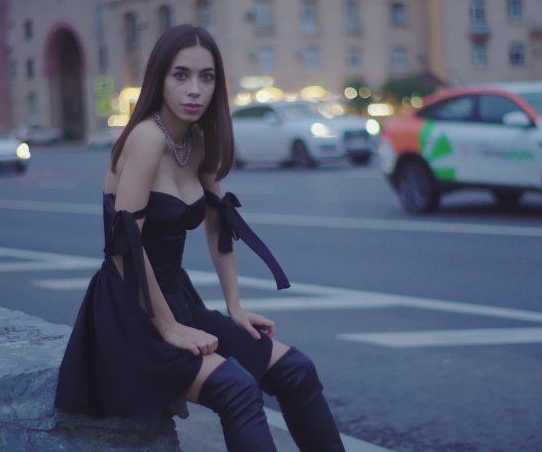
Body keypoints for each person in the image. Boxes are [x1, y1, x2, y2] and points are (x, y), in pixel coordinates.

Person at [54, 24, 345, 452]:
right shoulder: (146, 139)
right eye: (181, 75)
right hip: (129, 312)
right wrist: (168, 327)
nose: (195, 89)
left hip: (179, 301)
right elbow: (124, 249)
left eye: (206, 77)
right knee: (237, 389)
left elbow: (218, 223)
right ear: (159, 78)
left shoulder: (198, 141)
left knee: (296, 370)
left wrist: (234, 305)